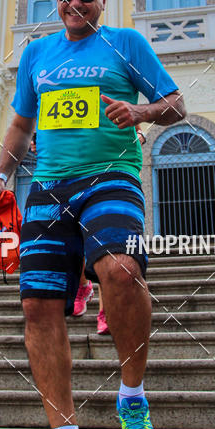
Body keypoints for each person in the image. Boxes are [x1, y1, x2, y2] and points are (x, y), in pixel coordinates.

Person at [0, 0, 186, 429]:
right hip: (49, 187)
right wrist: (2, 174)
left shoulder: (126, 43)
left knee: (120, 270)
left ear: (102, 0)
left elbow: (176, 105)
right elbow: (22, 123)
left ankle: (132, 399)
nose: (76, 3)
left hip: (110, 177)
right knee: (38, 306)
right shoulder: (36, 53)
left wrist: (140, 114)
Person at [73, 126, 147, 335]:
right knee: (77, 240)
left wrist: (137, 138)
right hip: (78, 174)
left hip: (115, 181)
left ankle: (106, 311)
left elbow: (139, 131)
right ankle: (83, 287)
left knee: (108, 248)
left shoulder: (116, 96)